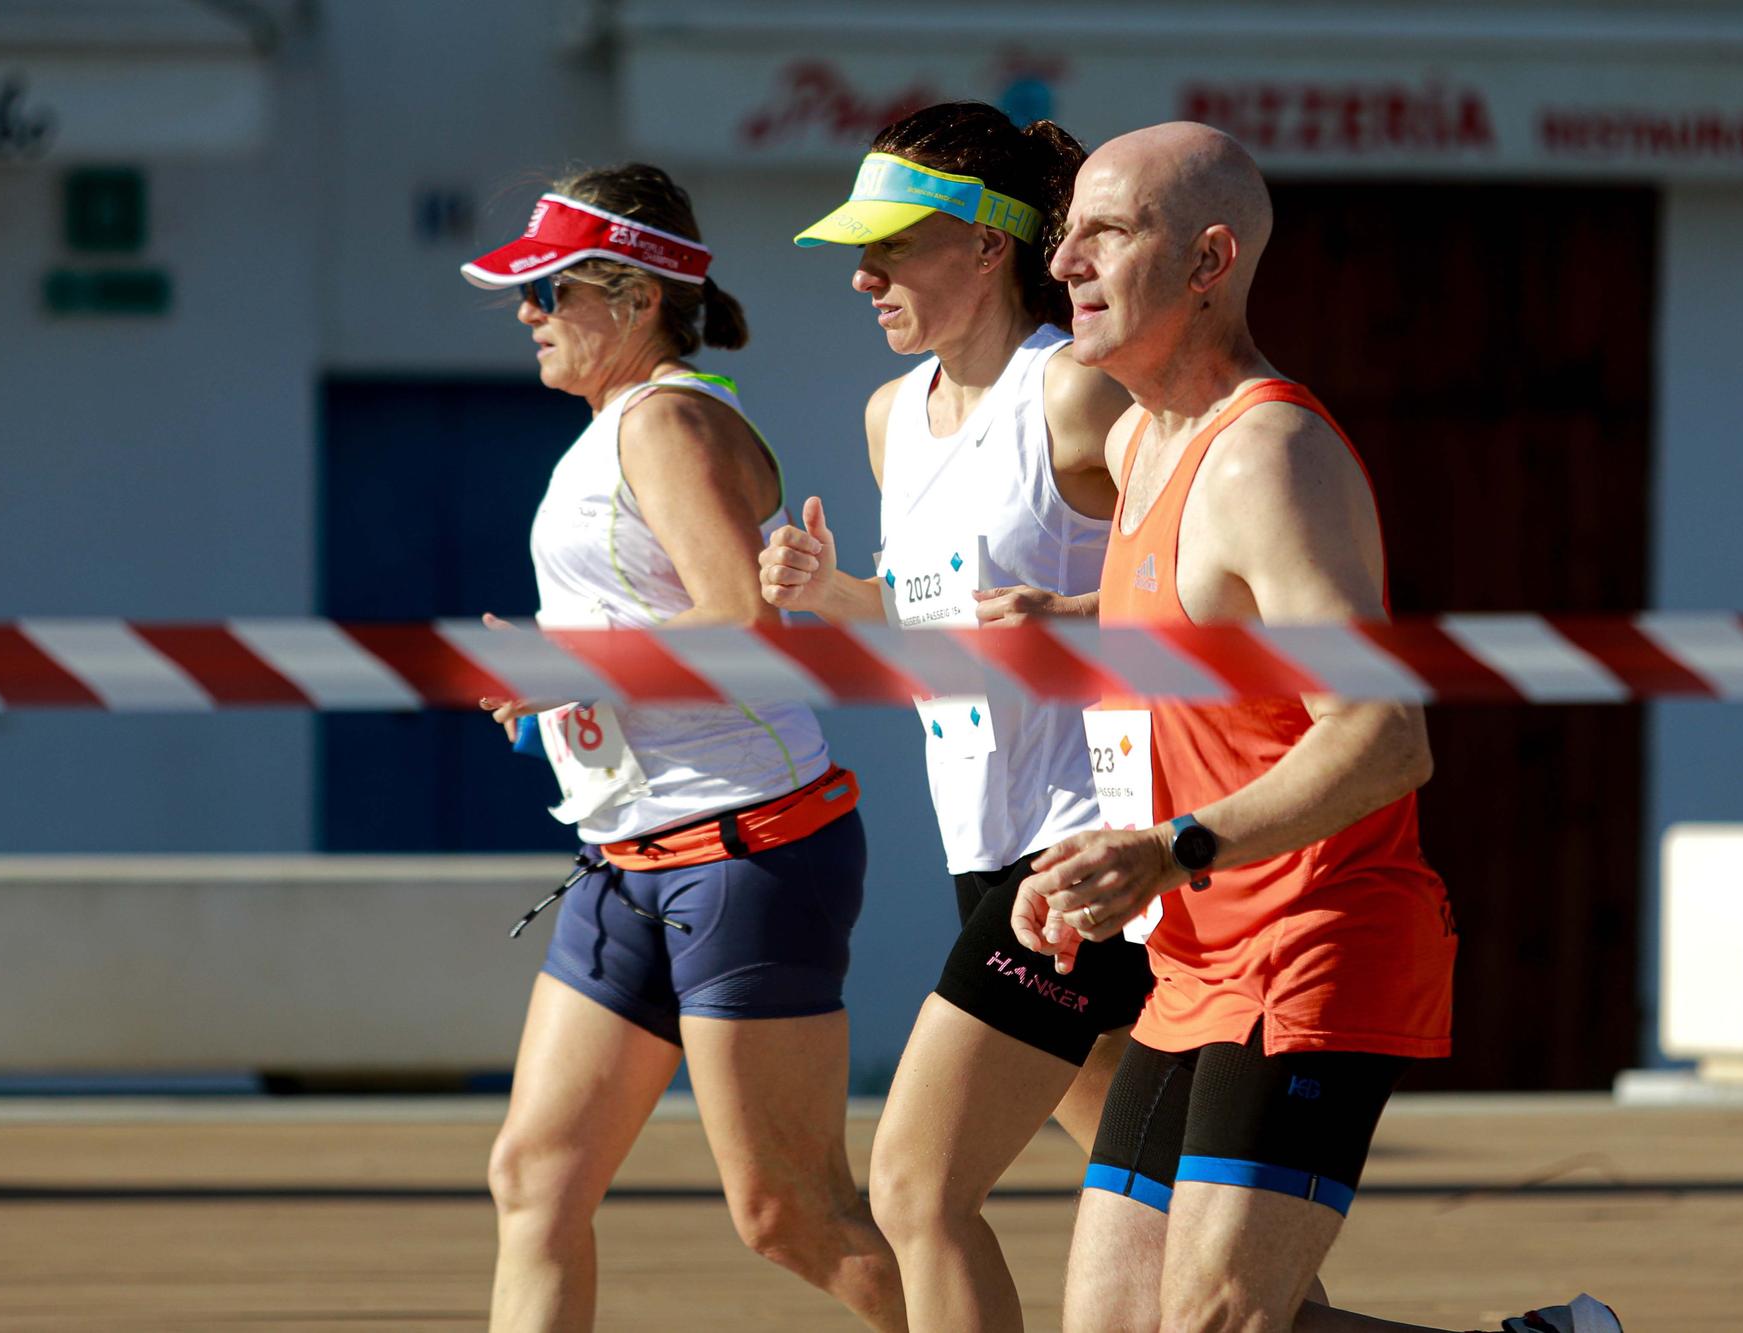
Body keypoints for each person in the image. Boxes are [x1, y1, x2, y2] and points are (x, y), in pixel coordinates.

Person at [1010, 123, 1623, 1333]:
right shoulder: (1138, 439)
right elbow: (1213, 621)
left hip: (1313, 938)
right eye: (1062, 229)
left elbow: (1385, 735)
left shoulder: (1268, 455)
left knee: (1213, 1325)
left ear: (1208, 260)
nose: (1062, 259)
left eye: (1105, 231)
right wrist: (1074, 638)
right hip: (1192, 953)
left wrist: (1171, 844)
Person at [460, 164, 903, 1332]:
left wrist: (566, 671)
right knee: (533, 1174)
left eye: (550, 292)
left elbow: (737, 624)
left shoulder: (662, 419)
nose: (528, 313)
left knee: (789, 1216)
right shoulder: (632, 422)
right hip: (634, 856)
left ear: (635, 295)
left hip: (746, 850)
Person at [758, 101, 1155, 1330]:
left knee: (917, 1186)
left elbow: (1210, 582)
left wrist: (1077, 611)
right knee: (1183, 1230)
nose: (861, 273)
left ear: (990, 247)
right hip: (983, 836)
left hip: (1097, 845)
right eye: (854, 250)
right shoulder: (892, 419)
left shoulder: (1080, 398)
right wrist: (837, 596)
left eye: (892, 245)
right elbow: (949, 615)